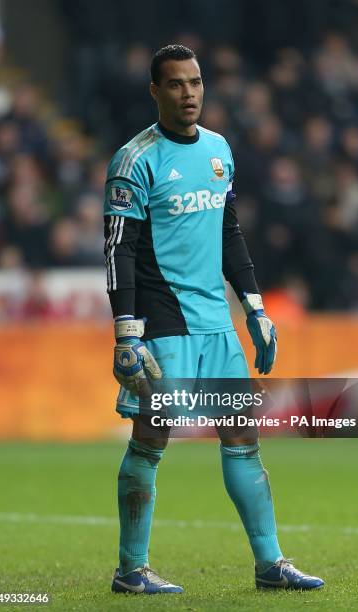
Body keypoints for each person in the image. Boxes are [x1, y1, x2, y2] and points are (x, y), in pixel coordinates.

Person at [103, 44, 324, 595]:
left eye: (196, 82)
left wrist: (254, 308)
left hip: (216, 326)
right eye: (176, 84)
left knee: (242, 435)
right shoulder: (135, 160)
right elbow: (118, 251)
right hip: (164, 324)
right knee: (153, 435)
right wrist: (126, 332)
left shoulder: (220, 150)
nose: (189, 93)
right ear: (155, 91)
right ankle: (131, 570)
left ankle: (270, 563)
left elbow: (229, 234)